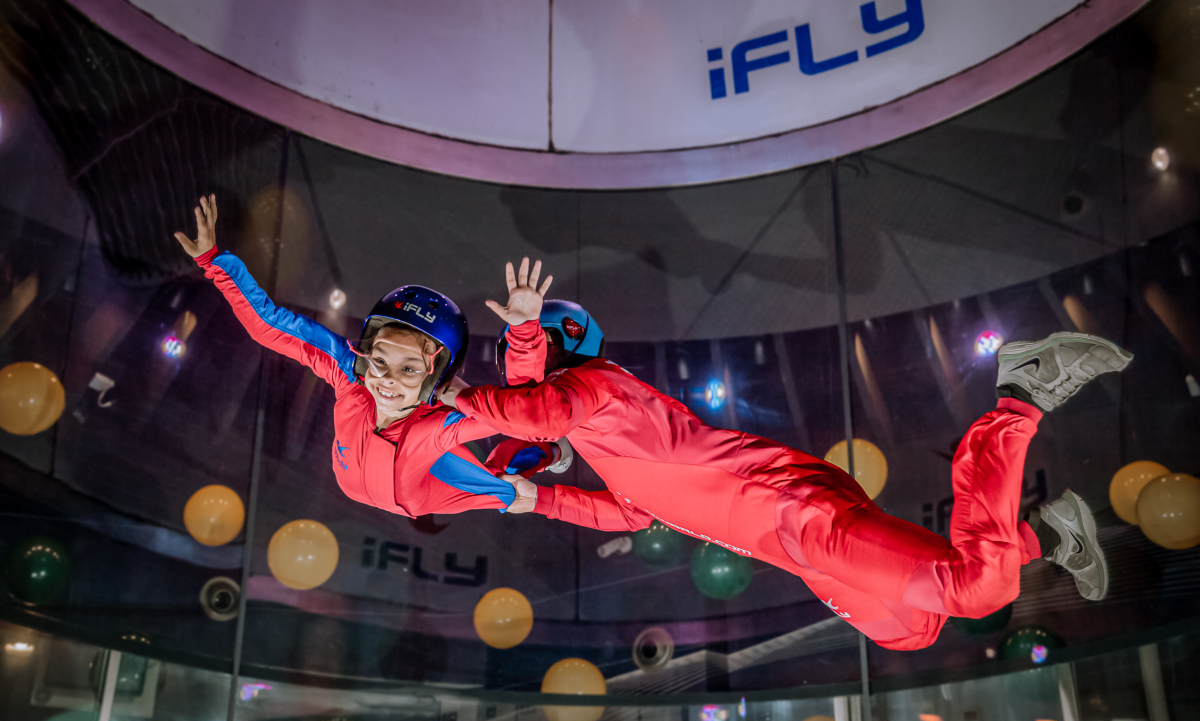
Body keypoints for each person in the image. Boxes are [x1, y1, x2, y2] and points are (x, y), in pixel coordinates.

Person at [440, 260, 1132, 650]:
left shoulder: (597, 393)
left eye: (524, 362)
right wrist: (526, 495)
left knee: (978, 591)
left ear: (559, 359)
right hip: (798, 544)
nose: (515, 376)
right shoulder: (608, 447)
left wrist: (457, 394)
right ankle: (1046, 534)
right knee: (911, 630)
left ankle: (1020, 394)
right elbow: (620, 512)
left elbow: (532, 413)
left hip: (799, 513)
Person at [172, 195, 561, 522]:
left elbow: (524, 413)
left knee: (512, 488)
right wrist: (213, 260)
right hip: (366, 477)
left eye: (409, 369)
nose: (387, 380)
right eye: (380, 361)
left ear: (433, 376)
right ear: (366, 353)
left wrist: (525, 332)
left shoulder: (440, 428)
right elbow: (271, 325)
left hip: (423, 495)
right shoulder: (350, 375)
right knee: (509, 467)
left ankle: (553, 453)